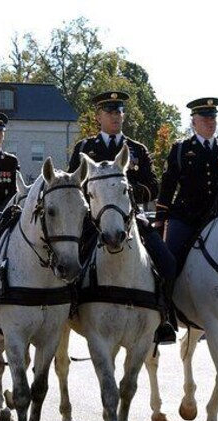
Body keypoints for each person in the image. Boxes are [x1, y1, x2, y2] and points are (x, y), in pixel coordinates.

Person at [68, 91, 175, 343]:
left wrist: (128, 191)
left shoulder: (136, 149)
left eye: (119, 112)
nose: (116, 116)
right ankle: (69, 310)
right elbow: (73, 185)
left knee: (168, 264)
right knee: (70, 265)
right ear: (99, 117)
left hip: (131, 220)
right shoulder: (85, 149)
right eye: (110, 112)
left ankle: (163, 318)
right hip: (92, 222)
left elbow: (153, 186)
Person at [156, 97, 218, 264]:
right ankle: (167, 290)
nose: (210, 122)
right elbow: (168, 187)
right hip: (186, 217)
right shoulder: (181, 149)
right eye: (205, 118)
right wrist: (160, 219)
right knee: (169, 260)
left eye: (213, 118)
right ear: (194, 122)